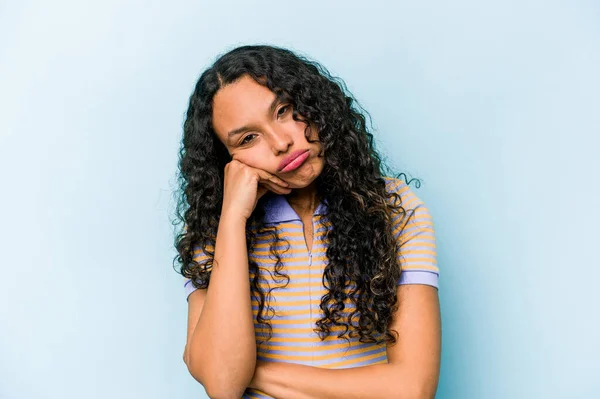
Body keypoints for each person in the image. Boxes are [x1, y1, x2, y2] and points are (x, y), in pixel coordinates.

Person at [174, 44, 441, 399]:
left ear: (314, 104)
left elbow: (411, 389)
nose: (281, 142)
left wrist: (250, 372)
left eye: (283, 110)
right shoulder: (215, 231)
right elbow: (222, 385)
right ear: (226, 161)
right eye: (248, 138)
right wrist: (232, 220)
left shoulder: (395, 210)